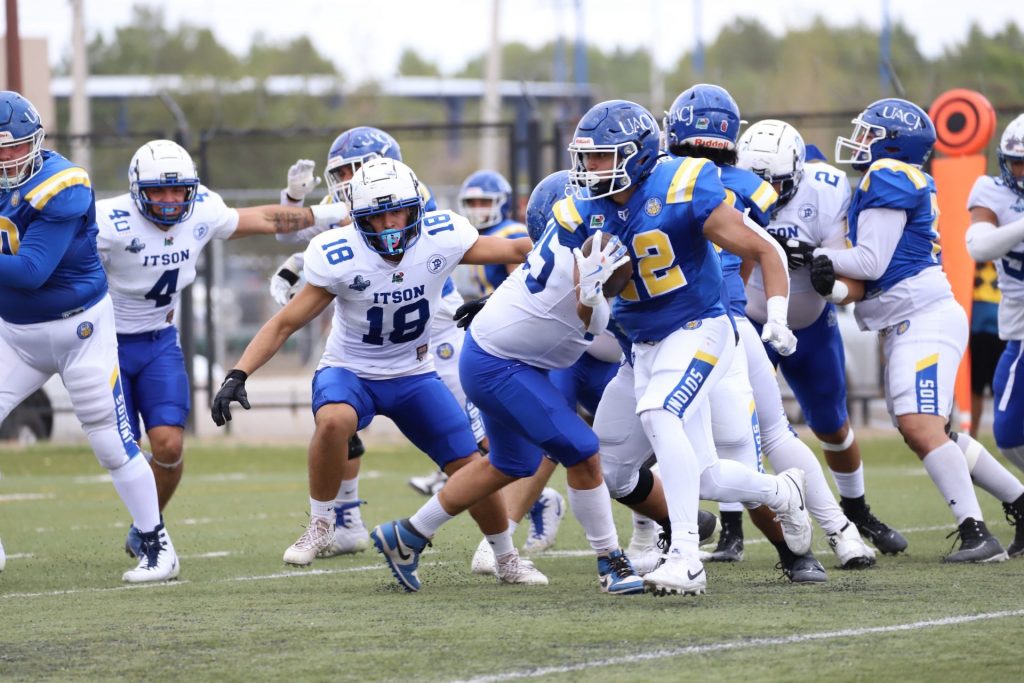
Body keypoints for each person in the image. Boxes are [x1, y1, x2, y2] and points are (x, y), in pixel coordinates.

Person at [211, 158, 542, 585]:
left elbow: (519, 251)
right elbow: (285, 323)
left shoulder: (442, 236)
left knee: (470, 465)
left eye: (397, 212)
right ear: (358, 217)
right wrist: (238, 373)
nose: (388, 224)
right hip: (351, 370)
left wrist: (568, 243)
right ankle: (321, 523)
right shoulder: (341, 254)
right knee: (334, 420)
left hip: (414, 374)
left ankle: (505, 556)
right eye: (376, 215)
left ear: (415, 208)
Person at [557, 99, 813, 596]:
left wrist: (779, 315)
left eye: (602, 156)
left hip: (699, 325)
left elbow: (763, 249)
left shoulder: (680, 185)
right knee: (638, 470)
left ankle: (686, 559)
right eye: (585, 157)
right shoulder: (584, 211)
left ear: (636, 154)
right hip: (641, 347)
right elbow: (596, 322)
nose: (589, 168)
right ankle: (782, 491)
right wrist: (590, 292)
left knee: (659, 413)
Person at [656, 87, 876, 579]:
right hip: (732, 322)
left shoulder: (660, 180)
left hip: (689, 327)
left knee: (697, 443)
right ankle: (841, 532)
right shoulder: (741, 183)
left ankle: (675, 546)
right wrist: (767, 313)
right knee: (769, 435)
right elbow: (756, 254)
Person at [95, 139, 349, 557]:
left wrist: (328, 213)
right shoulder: (108, 220)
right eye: (158, 190)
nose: (169, 200)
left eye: (178, 190)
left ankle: (145, 528)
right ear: (137, 189)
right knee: (124, 450)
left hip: (160, 342)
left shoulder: (202, 210)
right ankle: (150, 529)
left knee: (169, 447)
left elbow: (264, 219)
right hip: (106, 346)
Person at [815, 98, 1024, 561]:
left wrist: (814, 255)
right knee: (929, 431)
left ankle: (977, 534)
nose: (861, 141)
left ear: (893, 142)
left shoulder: (886, 174)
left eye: (870, 133)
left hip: (922, 319)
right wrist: (828, 278)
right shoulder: (892, 176)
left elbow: (870, 262)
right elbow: (866, 276)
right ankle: (1020, 502)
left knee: (921, 426)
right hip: (910, 320)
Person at [269, 126, 486, 559]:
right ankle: (345, 521)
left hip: (438, 328)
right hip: (376, 334)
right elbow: (300, 236)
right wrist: (293, 204)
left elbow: (357, 235)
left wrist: (301, 237)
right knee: (338, 422)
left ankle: (515, 522)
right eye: (341, 173)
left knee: (478, 440)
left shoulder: (406, 199)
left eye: (355, 169)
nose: (347, 181)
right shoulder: (356, 204)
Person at [0, 90, 175, 583]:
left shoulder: (63, 184)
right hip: (13, 334)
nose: (7, 159)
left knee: (110, 441)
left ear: (36, 142)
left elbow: (32, 271)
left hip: (79, 329)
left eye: (15, 147)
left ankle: (158, 547)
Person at [736, 117, 907, 557]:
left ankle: (857, 510)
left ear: (797, 171)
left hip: (810, 323)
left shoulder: (826, 190)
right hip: (750, 321)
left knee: (832, 424)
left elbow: (847, 271)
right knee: (737, 426)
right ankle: (731, 525)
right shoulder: (728, 188)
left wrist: (817, 260)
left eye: (775, 183)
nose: (765, 193)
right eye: (756, 183)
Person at [968, 262, 1003, 439]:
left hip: (1004, 331)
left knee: (1002, 387)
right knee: (976, 387)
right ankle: (972, 434)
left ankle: (1004, 433)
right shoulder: (971, 259)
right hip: (977, 330)